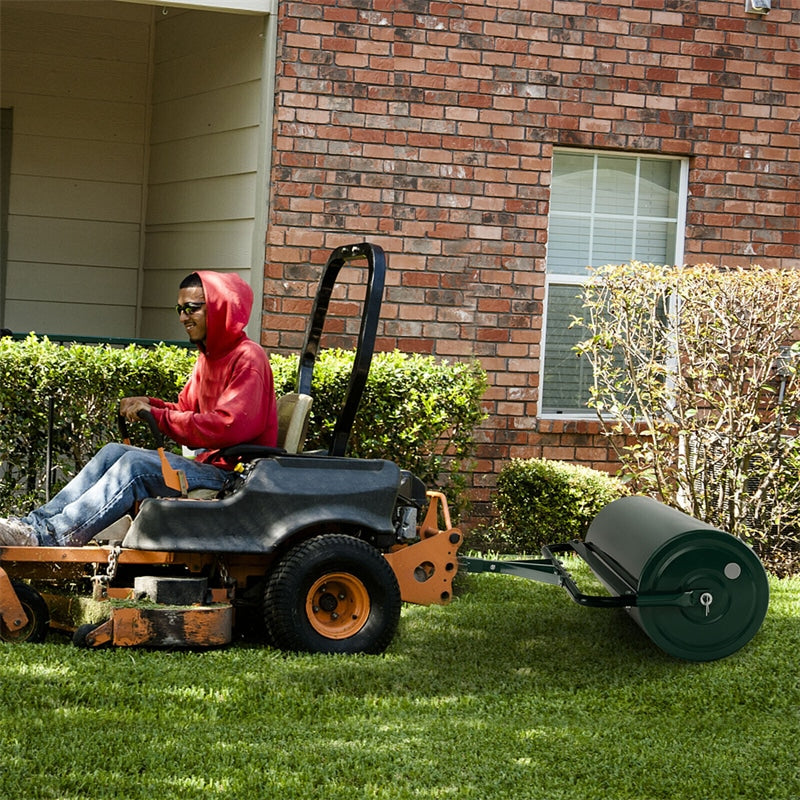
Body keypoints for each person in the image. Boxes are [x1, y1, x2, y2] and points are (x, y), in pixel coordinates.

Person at [0, 271, 277, 547]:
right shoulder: (208, 358)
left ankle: (50, 537)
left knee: (135, 466)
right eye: (179, 309)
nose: (183, 318)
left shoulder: (248, 358)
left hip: (233, 475)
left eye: (191, 308)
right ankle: (33, 525)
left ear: (218, 308)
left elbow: (227, 425)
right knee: (114, 452)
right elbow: (184, 408)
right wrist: (148, 404)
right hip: (208, 466)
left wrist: (158, 415)